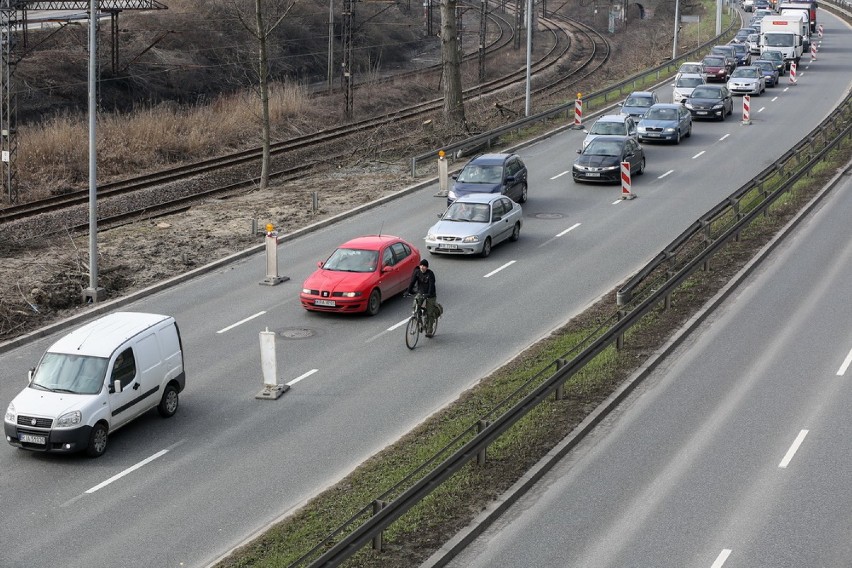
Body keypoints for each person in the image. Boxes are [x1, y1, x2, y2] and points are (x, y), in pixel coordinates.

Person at [406, 259, 439, 337]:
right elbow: (412, 282)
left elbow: (431, 285)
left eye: (424, 266)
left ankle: (430, 330)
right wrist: (408, 291)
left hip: (430, 295)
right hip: (421, 293)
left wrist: (428, 294)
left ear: (427, 267)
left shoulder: (430, 274)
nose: (422, 267)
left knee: (430, 312)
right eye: (421, 265)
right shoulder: (417, 272)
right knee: (415, 306)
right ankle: (419, 320)